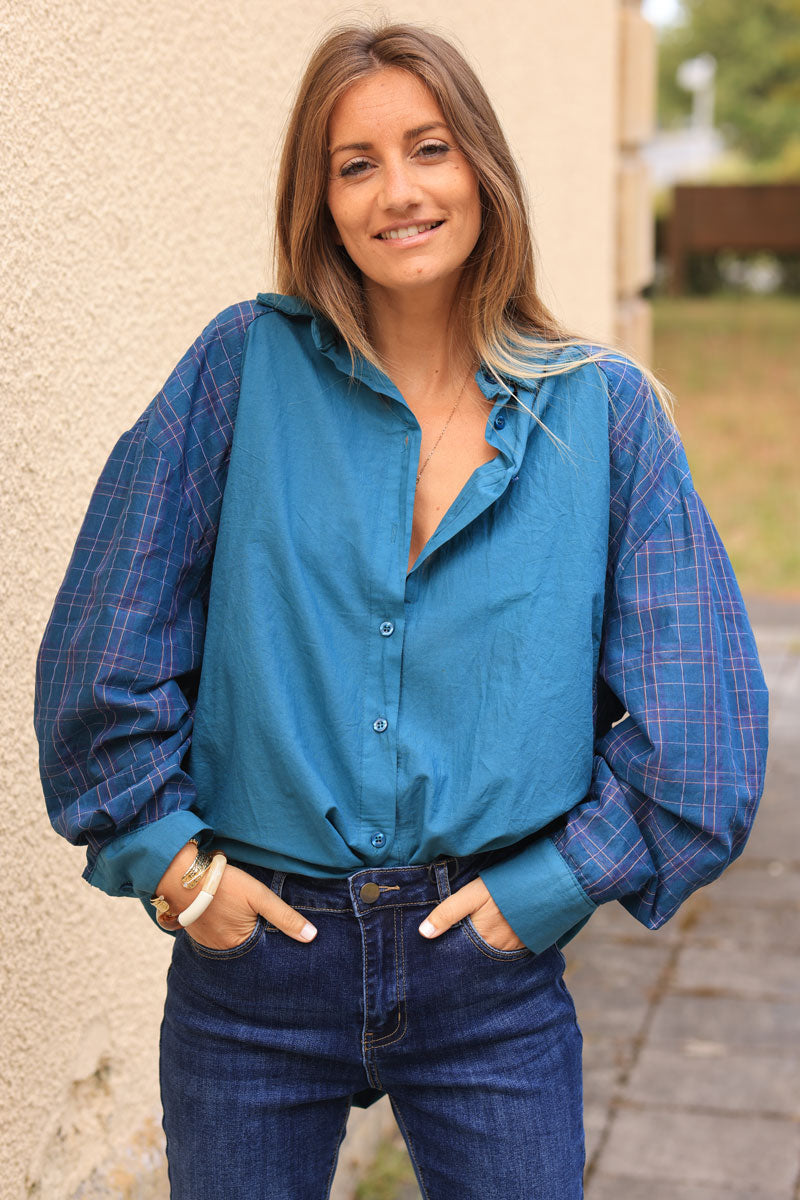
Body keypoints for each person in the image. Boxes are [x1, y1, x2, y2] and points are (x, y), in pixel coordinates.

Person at [34, 21, 769, 1200]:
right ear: (318, 199)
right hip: (255, 974)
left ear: (480, 165)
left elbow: (702, 730)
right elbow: (101, 647)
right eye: (355, 163)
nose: (398, 192)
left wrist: (547, 892)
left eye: (427, 148)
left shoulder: (603, 416)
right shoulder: (239, 371)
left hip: (488, 978)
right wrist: (175, 870)